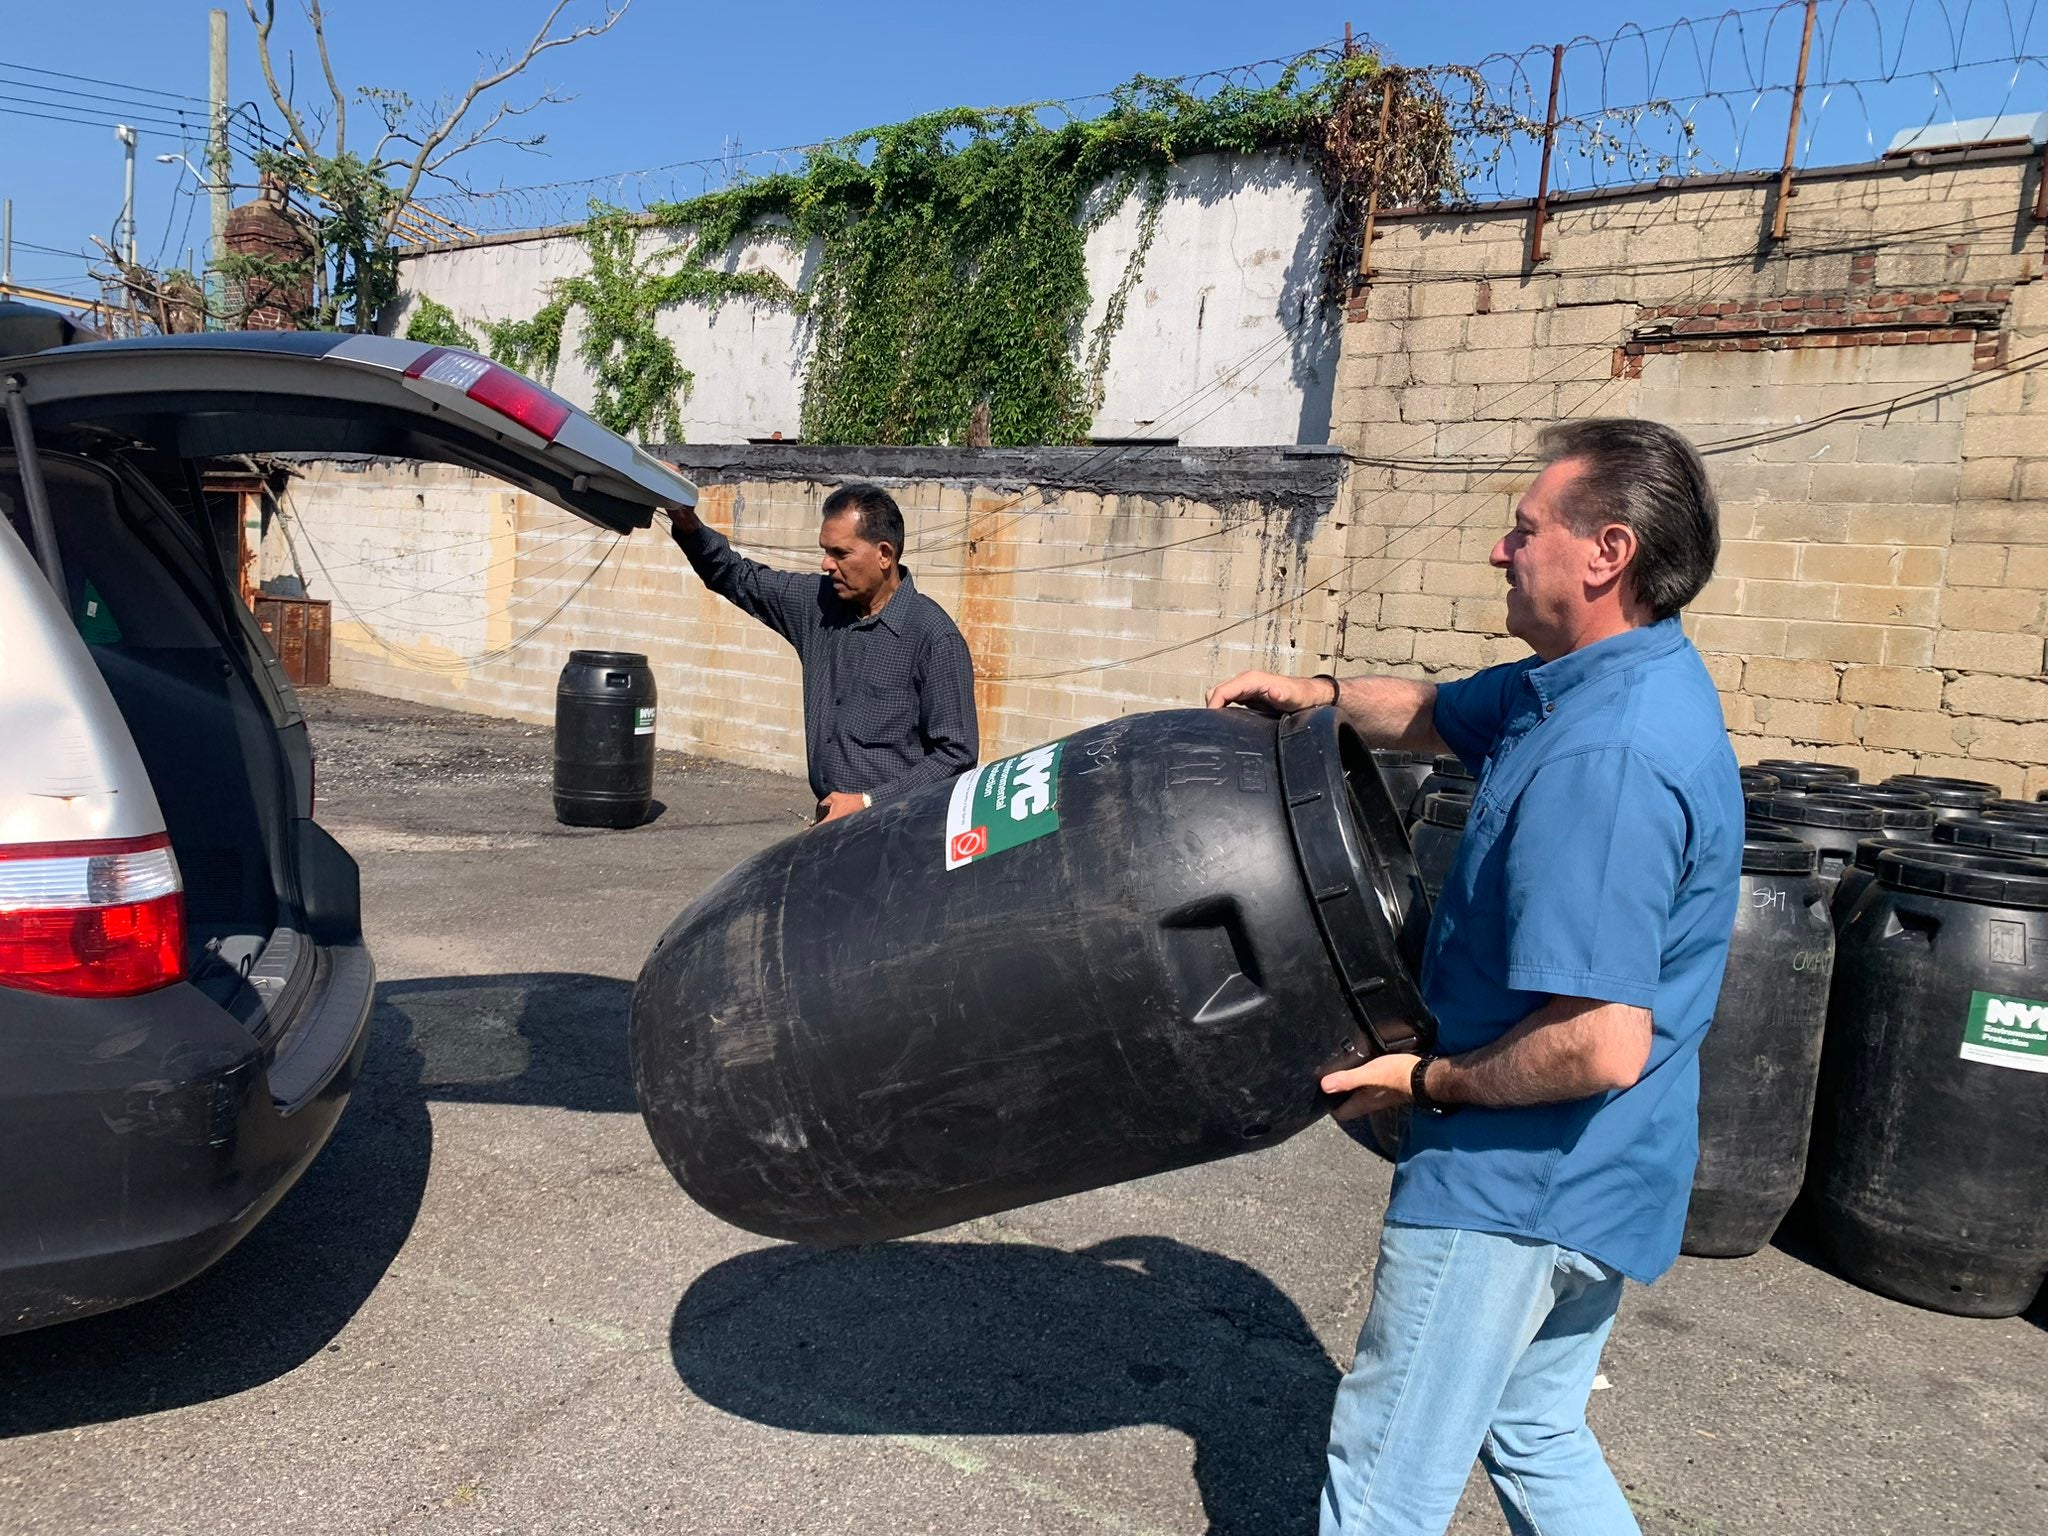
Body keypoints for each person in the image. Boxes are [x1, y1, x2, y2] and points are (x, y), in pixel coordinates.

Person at [1209, 418, 1743, 1536]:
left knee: (1382, 1485)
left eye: (1521, 529)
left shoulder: (1607, 756)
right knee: (1536, 1435)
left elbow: (1598, 1039)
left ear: (1604, 552)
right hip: (1607, 1177)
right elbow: (1433, 713)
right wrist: (1310, 693)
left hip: (1515, 1186)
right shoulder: (1588, 683)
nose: (1499, 551)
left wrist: (1427, 1081)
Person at [669, 482, 978, 823]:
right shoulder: (817, 605)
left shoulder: (933, 637)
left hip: (898, 831)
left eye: (841, 553)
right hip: (830, 825)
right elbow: (737, 575)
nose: (825, 564)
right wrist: (686, 522)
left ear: (885, 554)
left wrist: (868, 801)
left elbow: (957, 755)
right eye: (825, 550)